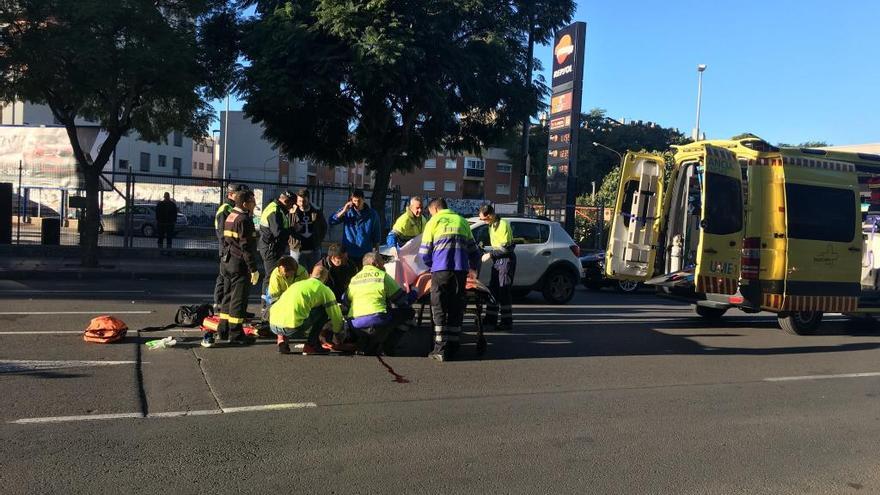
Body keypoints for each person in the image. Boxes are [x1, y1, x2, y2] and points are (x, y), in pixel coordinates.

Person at [419, 197, 480, 361]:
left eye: (430, 212)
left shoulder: (433, 222)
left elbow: (424, 253)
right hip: (460, 271)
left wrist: (432, 264)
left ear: (436, 209)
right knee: (456, 307)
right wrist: (473, 269)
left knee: (438, 308)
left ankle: (440, 350)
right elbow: (474, 251)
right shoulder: (463, 221)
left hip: (441, 271)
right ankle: (453, 346)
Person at [204, 189, 260, 348]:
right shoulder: (244, 219)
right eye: (252, 201)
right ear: (245, 203)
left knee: (227, 297)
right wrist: (253, 268)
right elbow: (246, 247)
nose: (254, 204)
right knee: (238, 299)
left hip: (227, 261)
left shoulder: (231, 216)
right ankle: (236, 334)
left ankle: (223, 330)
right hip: (238, 263)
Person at [344, 252, 416, 355]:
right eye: (382, 262)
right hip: (377, 320)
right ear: (375, 263)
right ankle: (388, 346)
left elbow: (345, 300)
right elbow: (403, 301)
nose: (383, 265)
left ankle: (367, 343)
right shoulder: (383, 276)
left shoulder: (354, 279)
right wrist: (415, 292)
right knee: (408, 313)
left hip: (355, 324)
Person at [269, 265, 344, 355]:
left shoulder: (296, 285)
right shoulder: (325, 290)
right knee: (323, 310)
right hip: (293, 328)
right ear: (326, 279)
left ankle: (281, 340)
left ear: (310, 275)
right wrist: (337, 333)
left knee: (289, 309)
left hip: (273, 325)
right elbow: (335, 315)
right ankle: (311, 345)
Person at [478, 204, 516, 331]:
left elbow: (507, 248)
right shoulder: (492, 225)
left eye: (483, 219)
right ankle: (490, 318)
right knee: (493, 289)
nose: (482, 222)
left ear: (489, 216)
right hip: (497, 260)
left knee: (504, 291)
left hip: (505, 260)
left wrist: (490, 254)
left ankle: (506, 322)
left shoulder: (503, 225)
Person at [213, 183, 249, 311]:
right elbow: (223, 234)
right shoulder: (225, 209)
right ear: (230, 194)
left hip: (229, 250)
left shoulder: (232, 208)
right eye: (237, 193)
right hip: (227, 250)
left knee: (226, 278)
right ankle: (219, 303)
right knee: (224, 277)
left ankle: (225, 305)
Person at [258, 190, 294, 306]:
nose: (291, 207)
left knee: (271, 276)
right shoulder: (275, 211)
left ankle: (269, 305)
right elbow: (278, 232)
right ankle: (266, 307)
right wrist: (292, 230)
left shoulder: (276, 208)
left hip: (272, 247)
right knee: (271, 277)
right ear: (286, 201)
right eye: (291, 204)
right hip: (270, 248)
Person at [329, 189, 381, 266]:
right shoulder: (347, 211)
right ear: (351, 201)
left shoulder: (372, 214)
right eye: (355, 201)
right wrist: (344, 211)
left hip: (365, 253)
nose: (357, 204)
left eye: (359, 201)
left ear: (364, 200)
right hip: (348, 253)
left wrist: (376, 252)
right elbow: (332, 221)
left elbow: (376, 234)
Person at [288, 188, 327, 271]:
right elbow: (286, 228)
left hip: (314, 250)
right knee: (297, 275)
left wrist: (318, 240)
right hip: (297, 250)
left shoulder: (316, 210)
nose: (301, 204)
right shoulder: (292, 211)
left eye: (304, 201)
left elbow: (323, 227)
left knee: (314, 274)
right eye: (299, 201)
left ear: (308, 200)